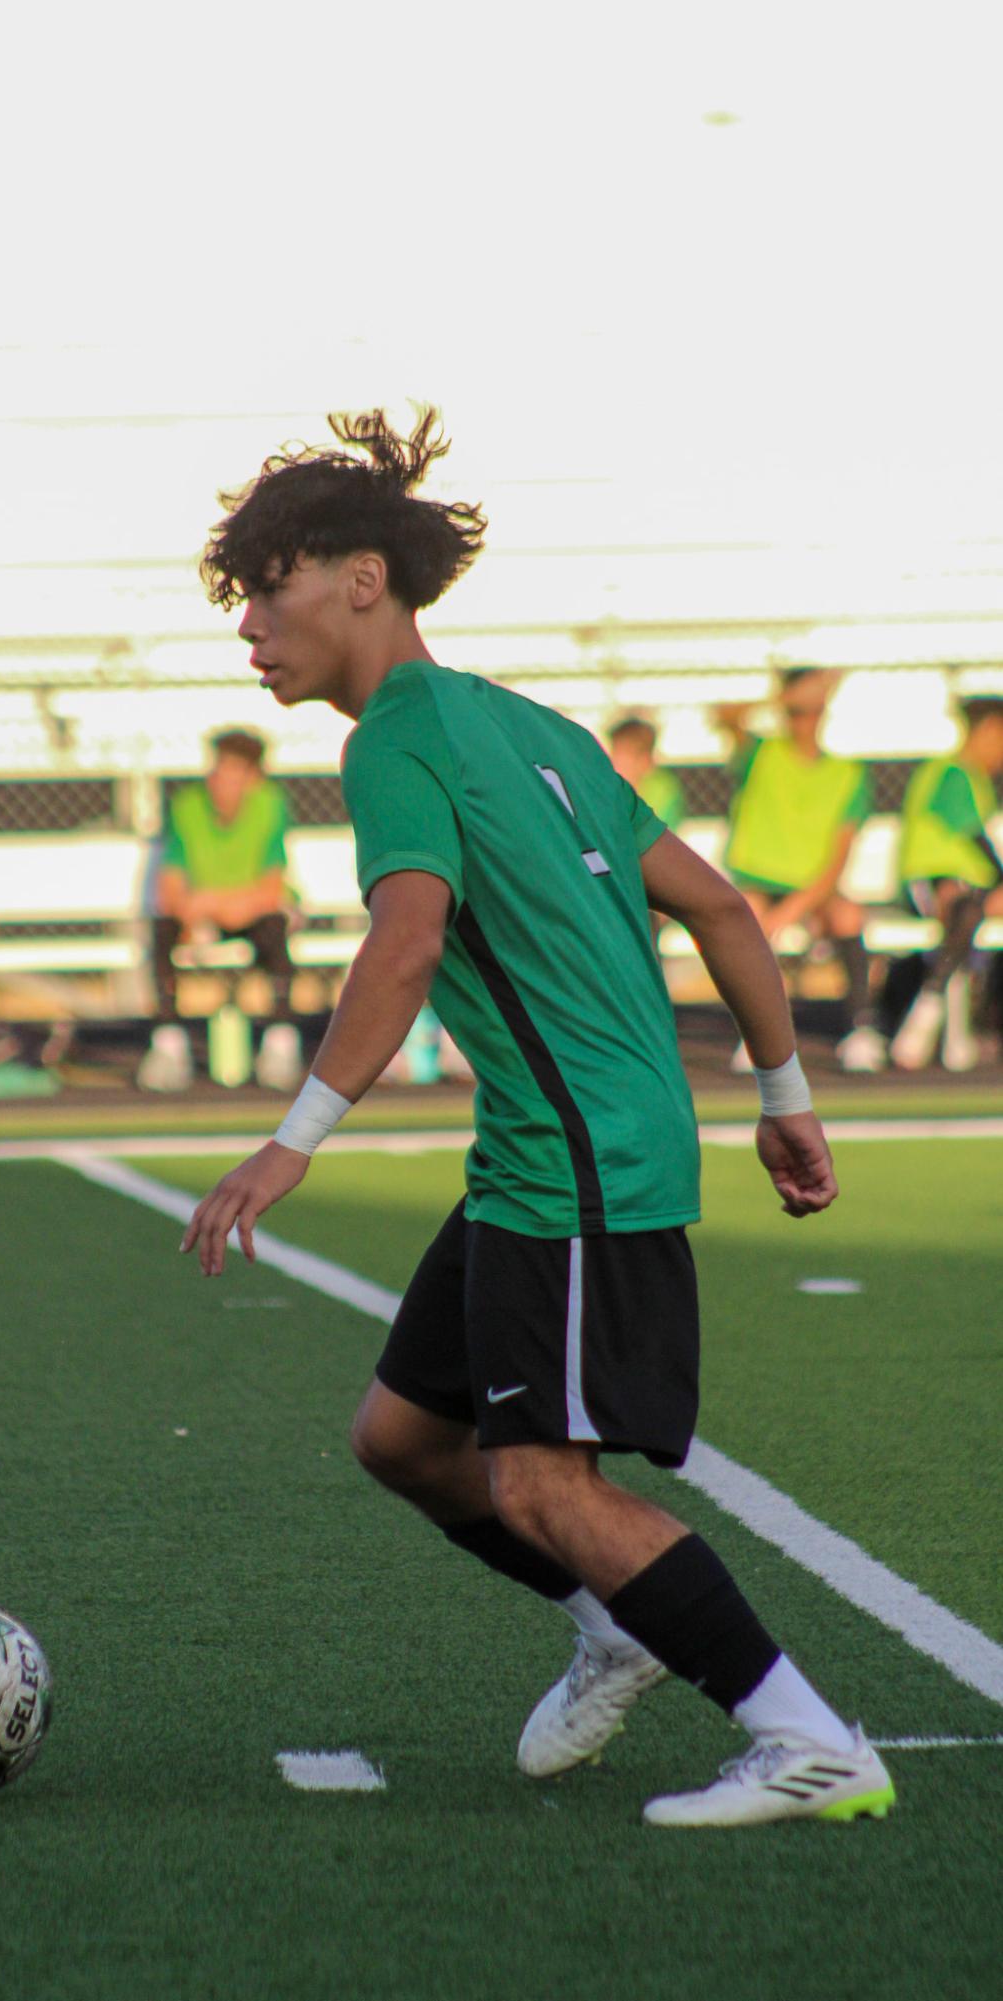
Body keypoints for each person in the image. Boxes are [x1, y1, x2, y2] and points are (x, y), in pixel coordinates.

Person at [179, 408, 895, 1829]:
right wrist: (781, 1096)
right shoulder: (531, 725)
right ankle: (616, 1623)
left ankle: (805, 1736)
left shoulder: (394, 743)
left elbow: (399, 947)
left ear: (361, 580)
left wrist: (289, 1139)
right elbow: (717, 907)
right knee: (399, 1440)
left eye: (271, 586)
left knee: (542, 1486)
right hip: (546, 1155)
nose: (250, 624)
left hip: (574, 1164)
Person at [715, 671, 884, 1072]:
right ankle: (755, 1034)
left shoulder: (848, 774)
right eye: (795, 712)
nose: (801, 721)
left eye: (809, 712)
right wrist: (783, 696)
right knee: (749, 914)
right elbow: (725, 715)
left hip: (813, 889)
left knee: (848, 915)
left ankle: (860, 1030)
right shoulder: (761, 753)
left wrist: (794, 909)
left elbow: (837, 861)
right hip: (760, 882)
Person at [141, 728, 298, 1090]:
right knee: (161, 930)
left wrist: (215, 904)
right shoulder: (187, 806)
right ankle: (168, 1045)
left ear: (253, 777)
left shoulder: (269, 804)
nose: (221, 781)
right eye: (218, 769)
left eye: (234, 771)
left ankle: (281, 1042)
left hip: (248, 916)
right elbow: (170, 888)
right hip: (198, 918)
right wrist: (199, 912)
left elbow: (270, 891)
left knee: (275, 930)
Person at [890, 694, 1003, 1071]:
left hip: (965, 888)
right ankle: (927, 1009)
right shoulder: (954, 773)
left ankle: (954, 1032)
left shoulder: (974, 779)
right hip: (931, 880)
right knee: (964, 911)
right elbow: (974, 837)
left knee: (966, 918)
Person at [607, 715, 685, 832]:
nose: (614, 764)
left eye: (622, 757)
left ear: (645, 760)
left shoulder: (662, 790)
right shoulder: (612, 789)